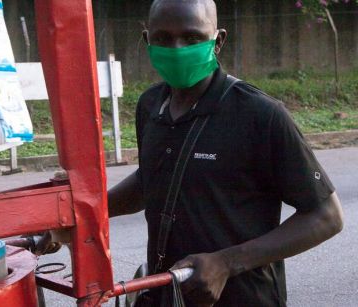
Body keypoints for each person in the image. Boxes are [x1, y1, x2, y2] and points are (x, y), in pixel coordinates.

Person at [107, 0, 344, 306]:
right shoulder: (151, 105)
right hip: (171, 294)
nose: (178, 49)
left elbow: (327, 216)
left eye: (192, 38)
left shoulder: (260, 115)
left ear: (218, 41)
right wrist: (82, 215)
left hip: (245, 297)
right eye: (164, 38)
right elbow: (151, 180)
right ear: (146, 40)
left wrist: (226, 263)